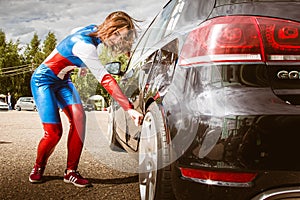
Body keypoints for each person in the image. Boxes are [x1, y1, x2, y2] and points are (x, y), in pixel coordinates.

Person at [29, 11, 143, 187]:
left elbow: (72, 37)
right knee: (53, 133)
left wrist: (81, 64)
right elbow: (106, 79)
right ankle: (38, 166)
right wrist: (128, 108)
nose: (118, 41)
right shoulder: (85, 46)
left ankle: (71, 172)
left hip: (63, 81)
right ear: (110, 28)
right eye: (118, 35)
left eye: (123, 37)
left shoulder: (92, 30)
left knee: (80, 119)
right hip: (43, 81)